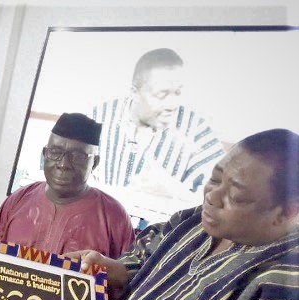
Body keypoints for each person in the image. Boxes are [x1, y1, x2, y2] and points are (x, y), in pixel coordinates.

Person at [49, 128, 299, 300]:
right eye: (214, 179)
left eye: (236, 196)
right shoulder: (194, 221)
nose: (211, 197)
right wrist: (115, 269)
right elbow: (143, 256)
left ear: (286, 212)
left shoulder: (286, 289)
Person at [0, 113, 135, 300]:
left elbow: (127, 287)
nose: (64, 163)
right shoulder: (18, 200)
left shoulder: (114, 216)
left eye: (78, 155)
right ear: (44, 153)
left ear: (95, 162)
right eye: (55, 152)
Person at [92, 48, 225, 202]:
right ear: (134, 93)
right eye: (162, 95)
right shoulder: (100, 116)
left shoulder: (197, 131)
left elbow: (219, 199)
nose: (172, 104)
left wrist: (172, 190)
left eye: (178, 93)